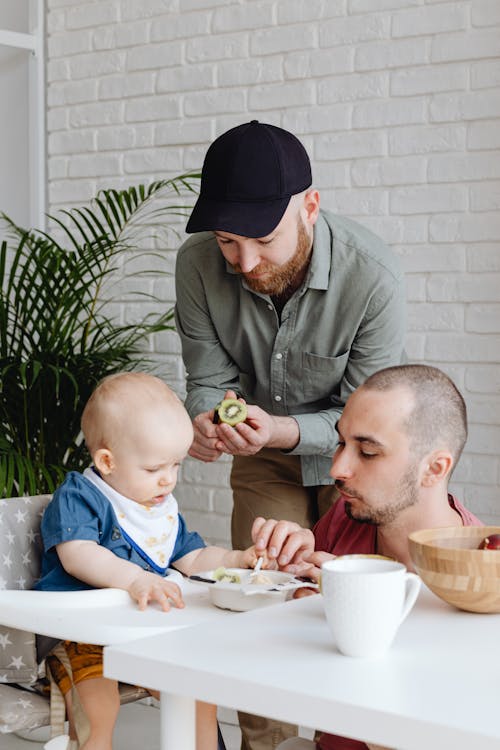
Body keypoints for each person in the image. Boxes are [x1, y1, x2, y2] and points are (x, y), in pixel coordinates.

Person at [175, 120, 406, 749]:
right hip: (261, 461)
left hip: (354, 462)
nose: (244, 263)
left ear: (310, 206)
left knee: (352, 619)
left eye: (262, 240)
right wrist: (205, 417)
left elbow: (374, 421)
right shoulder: (197, 265)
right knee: (261, 610)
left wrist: (278, 428)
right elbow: (207, 379)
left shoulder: (372, 277)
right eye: (227, 241)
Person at [250, 364, 483, 750]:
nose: (337, 468)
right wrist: (289, 588)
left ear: (434, 468)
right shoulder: (345, 518)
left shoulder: (480, 575)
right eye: (341, 443)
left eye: (368, 452)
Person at [35, 372, 266, 750]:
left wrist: (237, 558)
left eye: (175, 466)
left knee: (197, 691)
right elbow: (78, 555)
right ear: (107, 461)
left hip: (144, 633)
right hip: (81, 635)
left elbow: (192, 556)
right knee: (97, 711)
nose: (168, 481)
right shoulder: (80, 496)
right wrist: (135, 579)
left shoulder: (156, 509)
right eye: (154, 469)